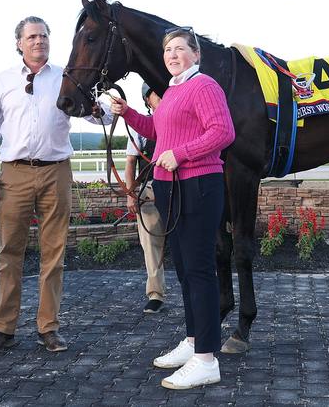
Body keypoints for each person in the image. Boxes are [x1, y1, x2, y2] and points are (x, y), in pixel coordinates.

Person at [0, 16, 110, 355]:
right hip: (15, 173)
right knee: (10, 253)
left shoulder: (67, 76)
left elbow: (97, 115)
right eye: (32, 36)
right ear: (19, 43)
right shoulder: (3, 81)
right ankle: (3, 329)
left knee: (54, 253)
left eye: (44, 35)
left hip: (56, 172)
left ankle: (48, 327)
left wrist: (103, 109)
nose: (39, 41)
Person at [111, 28, 236, 390]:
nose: (173, 54)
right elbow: (159, 130)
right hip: (171, 187)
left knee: (199, 270)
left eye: (181, 48)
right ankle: (196, 340)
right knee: (183, 267)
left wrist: (180, 154)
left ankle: (207, 360)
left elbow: (222, 132)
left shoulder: (204, 86)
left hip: (197, 185)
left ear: (196, 54)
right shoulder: (173, 91)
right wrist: (129, 113)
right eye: (168, 49)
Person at [123, 83, 167, 315]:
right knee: (150, 242)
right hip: (149, 189)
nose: (159, 97)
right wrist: (131, 194)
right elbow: (130, 163)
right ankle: (155, 293)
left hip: (178, 186)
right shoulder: (140, 129)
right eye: (154, 94)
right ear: (147, 100)